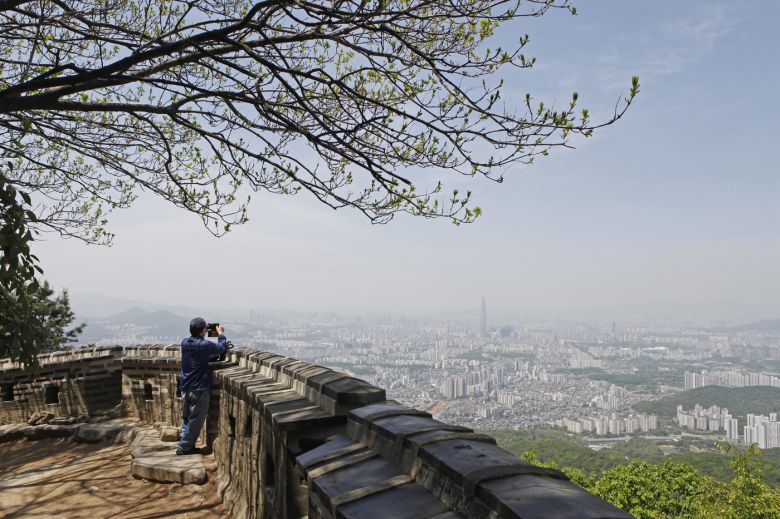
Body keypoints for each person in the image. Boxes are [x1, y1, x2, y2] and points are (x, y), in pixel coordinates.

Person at [177, 317, 228, 455]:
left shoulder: (184, 343)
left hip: (185, 386)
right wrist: (220, 334)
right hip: (199, 387)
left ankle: (186, 441)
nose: (207, 330)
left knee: (186, 417)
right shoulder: (204, 345)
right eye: (206, 328)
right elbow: (222, 348)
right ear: (202, 331)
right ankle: (184, 447)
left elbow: (197, 356)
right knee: (196, 419)